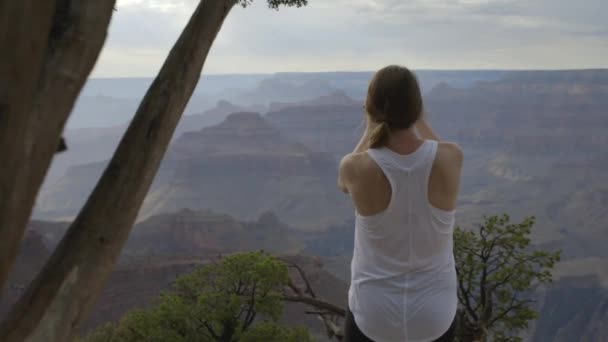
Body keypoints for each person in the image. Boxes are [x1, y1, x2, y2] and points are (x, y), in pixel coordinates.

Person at [338, 65, 464, 342]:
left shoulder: (354, 167)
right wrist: (418, 118)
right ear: (416, 108)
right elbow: (436, 150)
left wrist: (371, 124)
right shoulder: (452, 158)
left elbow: (343, 186)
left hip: (373, 315)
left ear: (371, 108)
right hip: (434, 316)